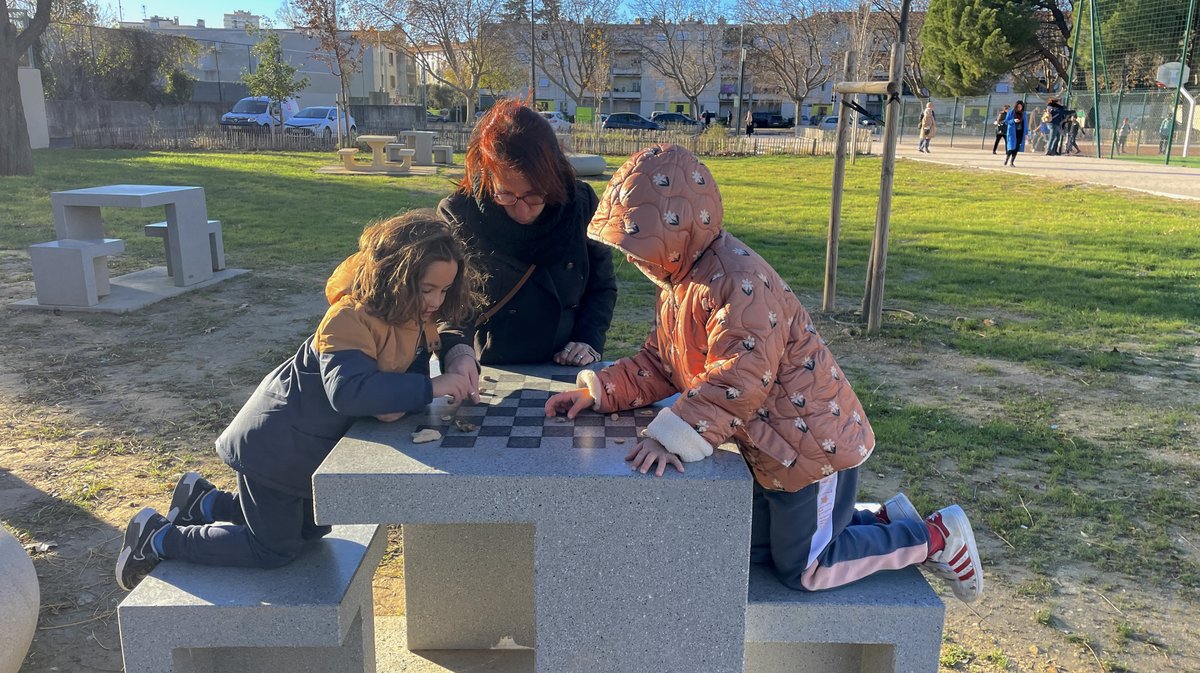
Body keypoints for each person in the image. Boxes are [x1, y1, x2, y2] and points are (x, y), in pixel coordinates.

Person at [544, 144, 984, 602]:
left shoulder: (737, 283)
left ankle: (935, 537)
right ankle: (884, 522)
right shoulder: (682, 282)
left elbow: (739, 380)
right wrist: (600, 390)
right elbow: (662, 362)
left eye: (639, 245)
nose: (632, 259)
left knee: (806, 566)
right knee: (757, 546)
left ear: (679, 230)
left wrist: (669, 437)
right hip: (778, 449)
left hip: (811, 449)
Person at [115, 212, 482, 590]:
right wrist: (432, 387)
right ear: (395, 277)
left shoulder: (412, 317)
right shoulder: (348, 319)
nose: (437, 301)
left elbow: (398, 379)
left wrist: (404, 394)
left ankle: (204, 503)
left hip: (305, 448)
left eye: (444, 290)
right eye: (427, 290)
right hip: (276, 447)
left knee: (312, 528)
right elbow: (349, 392)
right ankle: (157, 538)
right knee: (274, 548)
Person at [438, 99, 617, 367]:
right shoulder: (459, 212)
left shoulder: (581, 203)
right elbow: (448, 299)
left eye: (535, 196)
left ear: (554, 176)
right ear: (487, 176)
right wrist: (456, 354)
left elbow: (601, 286)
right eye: (506, 194)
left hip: (566, 360)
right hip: (489, 363)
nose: (522, 211)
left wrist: (588, 340)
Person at [1003, 100, 1026, 166]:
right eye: (1018, 107)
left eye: (1021, 107)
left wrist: (1026, 133)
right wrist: (1013, 120)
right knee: (1011, 147)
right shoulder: (1011, 112)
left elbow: (1025, 124)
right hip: (1012, 132)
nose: (1020, 108)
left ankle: (1012, 162)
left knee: (1016, 148)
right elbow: (1006, 121)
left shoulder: (1023, 113)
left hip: (1020, 132)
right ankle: (1007, 159)